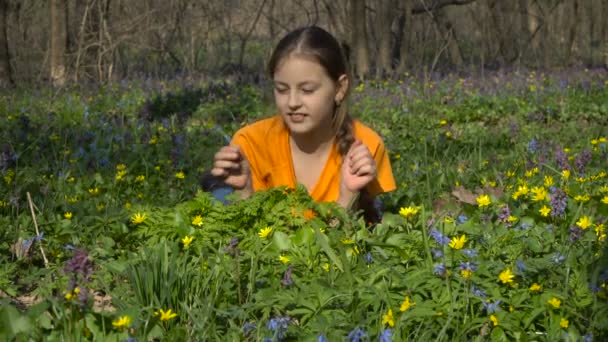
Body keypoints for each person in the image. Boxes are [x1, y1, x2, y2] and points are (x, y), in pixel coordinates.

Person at [210, 26, 396, 222]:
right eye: (282, 90)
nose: (292, 103)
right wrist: (243, 195)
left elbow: (368, 237)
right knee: (219, 196)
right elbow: (248, 245)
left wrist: (347, 199)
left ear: (340, 88)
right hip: (267, 251)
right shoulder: (250, 143)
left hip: (339, 248)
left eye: (307, 90)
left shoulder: (365, 146)